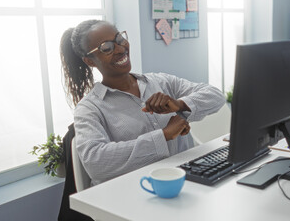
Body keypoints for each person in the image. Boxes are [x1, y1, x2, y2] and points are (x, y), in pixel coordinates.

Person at [60, 20, 225, 186]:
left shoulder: (161, 81)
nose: (120, 49)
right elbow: (96, 162)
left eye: (119, 39)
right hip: (139, 191)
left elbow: (216, 96)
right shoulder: (89, 108)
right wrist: (165, 135)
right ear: (90, 61)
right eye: (106, 48)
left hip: (187, 181)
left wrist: (180, 104)